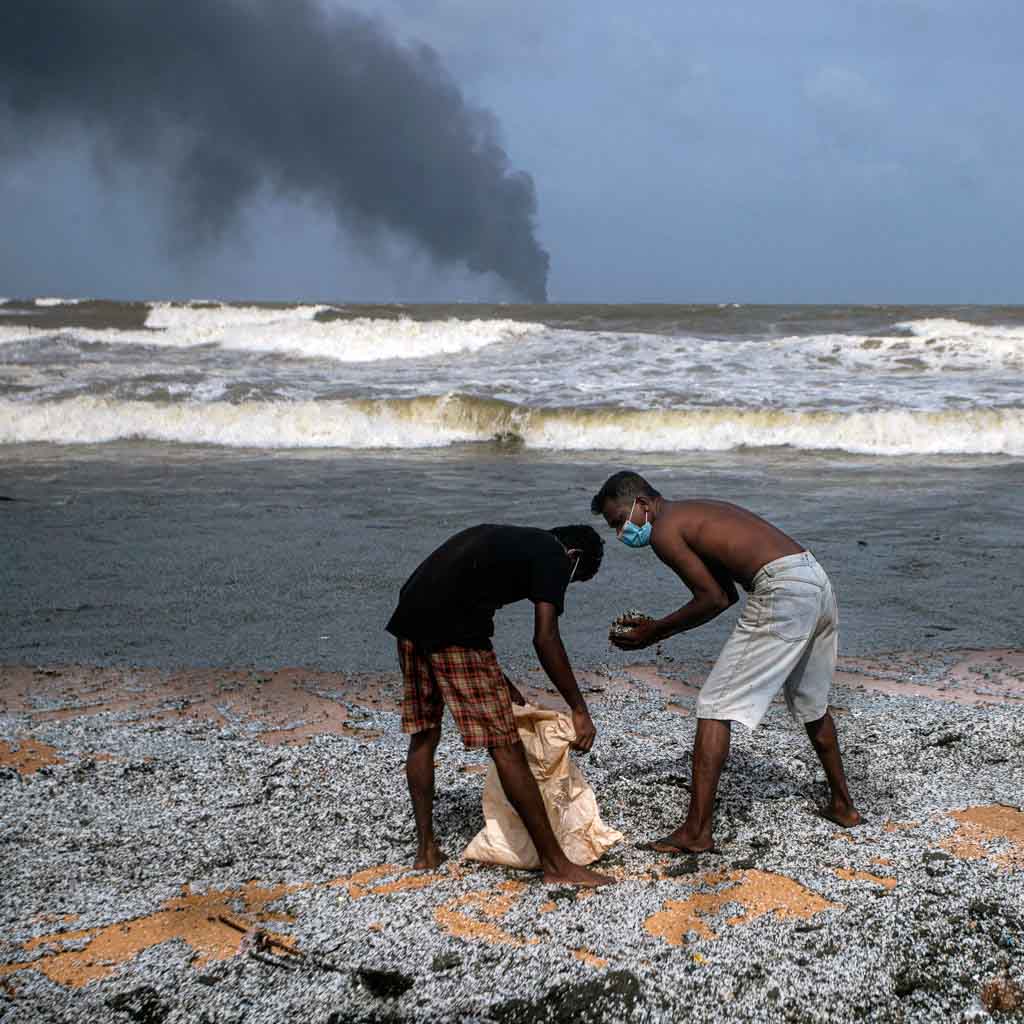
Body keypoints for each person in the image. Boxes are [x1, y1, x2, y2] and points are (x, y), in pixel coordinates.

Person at [591, 471, 861, 854]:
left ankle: (697, 831)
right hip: (813, 578)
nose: (621, 534)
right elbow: (724, 595)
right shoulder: (692, 512)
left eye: (621, 521)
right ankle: (844, 807)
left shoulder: (666, 530)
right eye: (614, 528)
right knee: (810, 704)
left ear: (645, 504)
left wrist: (654, 632)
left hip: (782, 589)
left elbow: (711, 599)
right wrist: (658, 629)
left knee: (715, 705)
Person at [385, 522, 614, 886]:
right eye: (573, 580)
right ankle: (556, 866)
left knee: (424, 734)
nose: (562, 587)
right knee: (506, 746)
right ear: (574, 557)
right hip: (450, 626)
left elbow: (463, 595)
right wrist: (579, 709)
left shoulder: (517, 543)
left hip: (410, 615)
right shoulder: (556, 556)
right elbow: (545, 638)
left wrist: (501, 682)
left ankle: (425, 851)